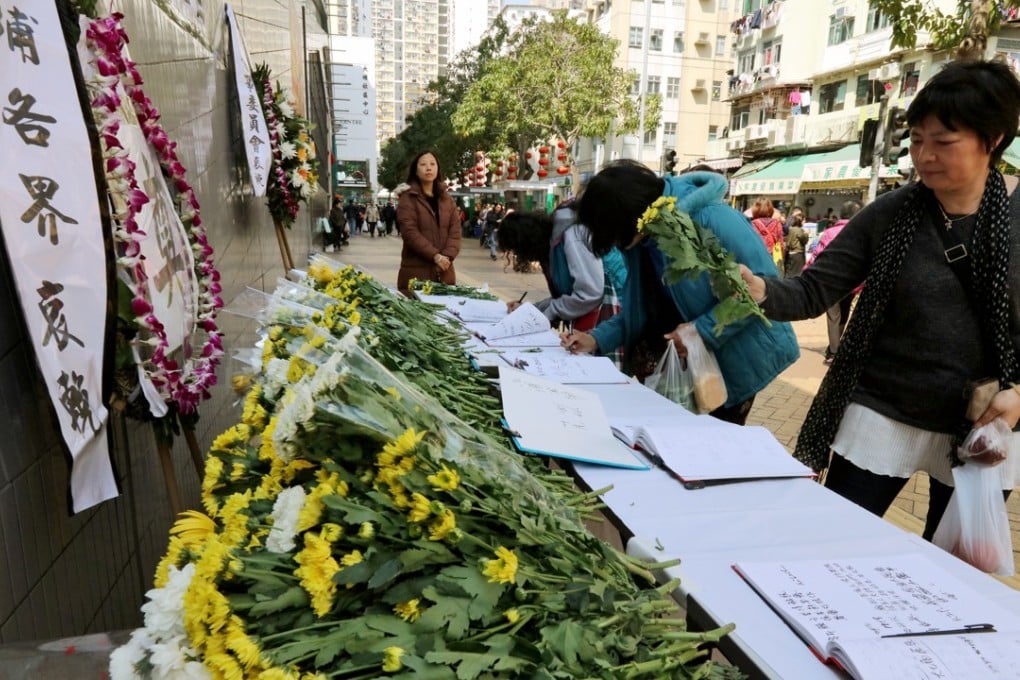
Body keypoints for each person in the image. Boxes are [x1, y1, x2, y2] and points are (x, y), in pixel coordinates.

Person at [739, 59, 1020, 540]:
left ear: (991, 140)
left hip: (984, 421)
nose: (923, 155)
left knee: (952, 574)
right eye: (916, 139)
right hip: (882, 413)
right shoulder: (892, 213)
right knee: (833, 541)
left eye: (943, 141)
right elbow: (813, 291)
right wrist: (761, 291)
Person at [564, 161, 799, 425]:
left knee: (710, 451)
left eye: (614, 234)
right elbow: (643, 309)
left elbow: (760, 290)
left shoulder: (714, 218)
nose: (616, 243)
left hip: (732, 363)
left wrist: (700, 331)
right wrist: (595, 339)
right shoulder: (646, 237)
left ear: (631, 216)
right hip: (677, 370)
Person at [498, 203, 628, 342]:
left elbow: (589, 294)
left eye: (517, 251)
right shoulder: (554, 242)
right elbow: (567, 295)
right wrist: (532, 310)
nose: (519, 256)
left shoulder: (573, 235)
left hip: (615, 316)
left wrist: (546, 314)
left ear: (526, 243)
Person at [805, 200, 862, 365]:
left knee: (833, 316)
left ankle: (834, 352)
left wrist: (807, 270)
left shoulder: (829, 232)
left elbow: (818, 254)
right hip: (853, 282)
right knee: (844, 313)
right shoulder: (861, 232)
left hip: (830, 281)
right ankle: (835, 347)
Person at [396, 151, 461, 292]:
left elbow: (455, 231)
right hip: (416, 274)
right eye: (423, 164)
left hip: (445, 273)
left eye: (432, 164)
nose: (429, 168)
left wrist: (446, 257)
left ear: (438, 168)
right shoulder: (408, 199)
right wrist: (435, 256)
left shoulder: (447, 199)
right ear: (415, 170)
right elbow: (409, 233)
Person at [750, 196, 786, 276]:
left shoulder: (752, 224)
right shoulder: (777, 224)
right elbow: (781, 245)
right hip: (772, 258)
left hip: (757, 259)